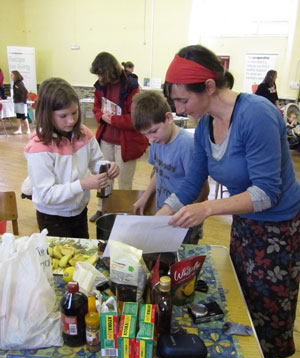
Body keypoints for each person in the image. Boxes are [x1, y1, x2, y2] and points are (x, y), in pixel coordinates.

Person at [158, 44, 300, 358]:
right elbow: (192, 182)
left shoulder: (257, 115)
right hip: (246, 222)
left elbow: (268, 192)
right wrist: (156, 220)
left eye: (182, 101)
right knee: (241, 300)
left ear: (208, 86)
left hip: (279, 231)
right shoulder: (205, 124)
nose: (178, 110)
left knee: (266, 316)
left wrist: (207, 208)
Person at [24, 77, 119, 238]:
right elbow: (47, 195)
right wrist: (82, 185)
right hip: (52, 216)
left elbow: (96, 161)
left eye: (74, 113)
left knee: (80, 257)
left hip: (79, 210)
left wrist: (107, 166)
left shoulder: (83, 133)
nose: (71, 120)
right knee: (60, 261)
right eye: (63, 115)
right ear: (47, 114)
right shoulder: (39, 147)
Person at [131, 90, 209, 243]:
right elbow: (158, 173)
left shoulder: (188, 145)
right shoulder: (157, 141)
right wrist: (145, 197)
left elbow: (203, 189)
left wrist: (185, 215)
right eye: (146, 134)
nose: (151, 138)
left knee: (179, 263)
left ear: (168, 118)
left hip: (184, 222)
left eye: (153, 131)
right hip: (164, 214)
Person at [89, 52, 148, 222]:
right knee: (104, 178)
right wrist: (102, 116)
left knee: (124, 181)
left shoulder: (131, 87)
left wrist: (112, 119)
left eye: (101, 74)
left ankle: (123, 213)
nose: (99, 78)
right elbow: (96, 109)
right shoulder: (100, 86)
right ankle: (102, 210)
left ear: (109, 71)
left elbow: (135, 119)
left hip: (126, 143)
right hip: (105, 140)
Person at [11, 70, 31, 135]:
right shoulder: (15, 83)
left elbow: (25, 91)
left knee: (23, 116)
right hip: (17, 102)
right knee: (18, 116)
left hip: (21, 102)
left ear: (15, 75)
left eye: (12, 75)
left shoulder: (19, 83)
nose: (11, 76)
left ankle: (28, 129)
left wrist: (23, 100)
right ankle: (19, 129)